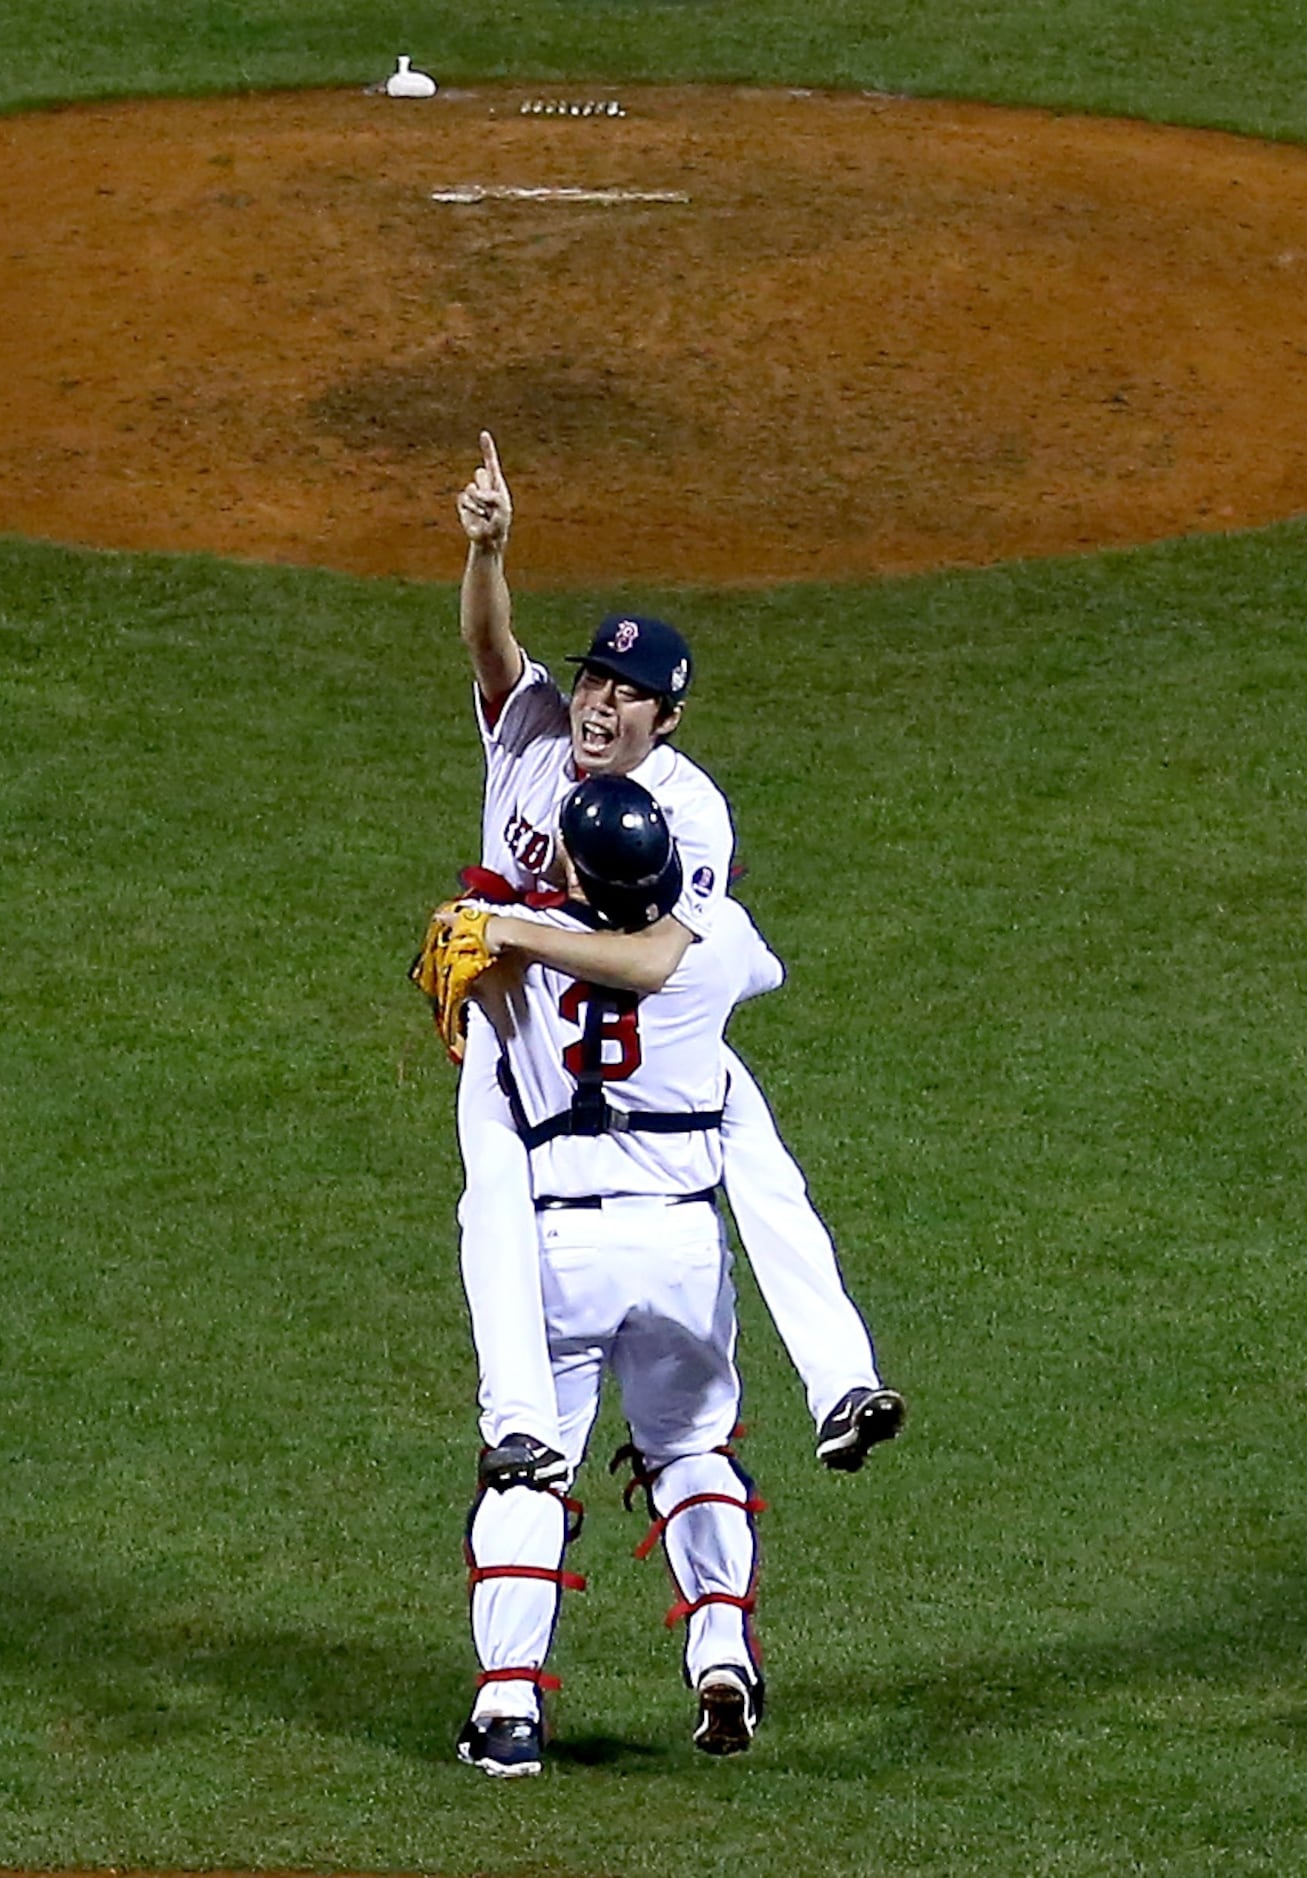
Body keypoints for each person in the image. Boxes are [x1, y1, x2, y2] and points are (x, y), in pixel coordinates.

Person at [448, 432, 905, 1493]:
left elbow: (655, 962)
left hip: (612, 1012)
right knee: (508, 1189)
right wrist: (489, 552)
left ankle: (841, 1383)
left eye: (628, 692)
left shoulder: (689, 810)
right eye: (595, 677)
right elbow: (488, 647)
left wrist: (508, 931)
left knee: (751, 1145)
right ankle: (523, 1415)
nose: (600, 702)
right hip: (524, 1034)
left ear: (668, 717)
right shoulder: (531, 729)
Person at [455, 776, 781, 1776]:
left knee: (530, 1466)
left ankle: (510, 1708)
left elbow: (476, 1011)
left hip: (562, 1248)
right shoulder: (709, 946)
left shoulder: (514, 955)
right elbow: (756, 967)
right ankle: (720, 1649)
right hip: (682, 1244)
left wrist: (496, 941)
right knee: (690, 1447)